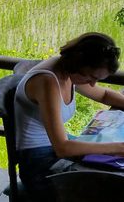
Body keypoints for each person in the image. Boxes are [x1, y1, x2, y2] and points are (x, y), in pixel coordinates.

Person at [15, 33, 124, 200]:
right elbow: (63, 148)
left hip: (54, 150)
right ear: (78, 63)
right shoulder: (48, 81)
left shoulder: (68, 70)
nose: (93, 84)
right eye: (91, 77)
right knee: (111, 182)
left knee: (113, 166)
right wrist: (118, 148)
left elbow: (104, 95)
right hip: (38, 163)